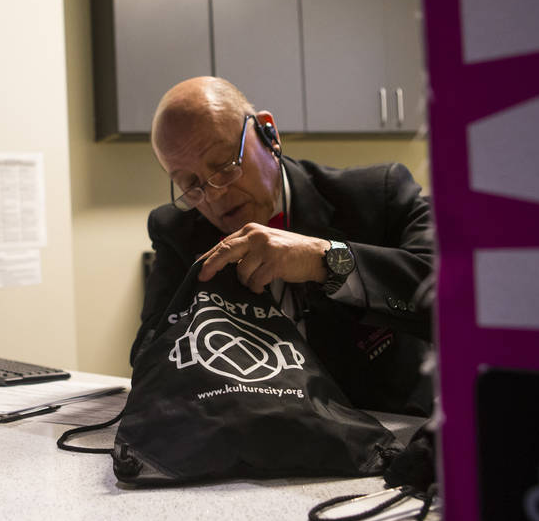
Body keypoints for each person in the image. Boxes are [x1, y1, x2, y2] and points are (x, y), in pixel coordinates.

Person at [135, 76, 434, 416]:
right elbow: (149, 354)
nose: (214, 194)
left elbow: (452, 292)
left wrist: (324, 260)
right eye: (190, 184)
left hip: (392, 428)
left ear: (268, 133)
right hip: (262, 440)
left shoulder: (379, 195)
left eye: (223, 165)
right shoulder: (177, 231)